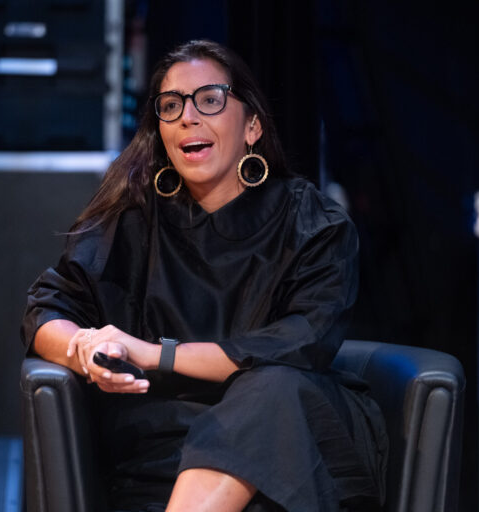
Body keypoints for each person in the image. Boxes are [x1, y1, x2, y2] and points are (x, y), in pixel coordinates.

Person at [21, 39, 387, 512]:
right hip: (162, 452)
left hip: (296, 449)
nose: (188, 117)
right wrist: (85, 346)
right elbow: (45, 308)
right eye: (170, 107)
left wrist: (157, 356)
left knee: (272, 387)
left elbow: (299, 344)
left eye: (209, 100)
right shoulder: (135, 222)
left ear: (252, 126)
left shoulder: (314, 224)